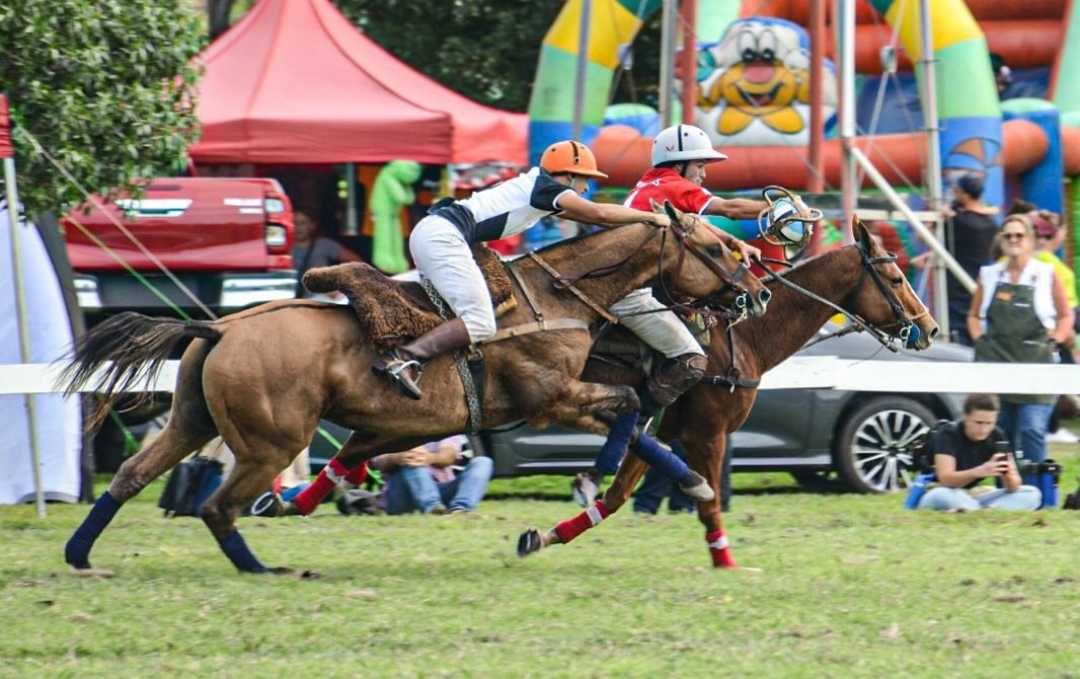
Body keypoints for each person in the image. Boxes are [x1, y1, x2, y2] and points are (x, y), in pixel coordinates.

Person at [572, 124, 814, 507]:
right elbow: (728, 208)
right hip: (631, 293)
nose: (704, 173)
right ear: (680, 164)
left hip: (626, 286)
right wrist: (779, 209)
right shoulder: (671, 184)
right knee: (693, 359)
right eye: (700, 165)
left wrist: (734, 244)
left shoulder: (654, 185)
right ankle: (625, 445)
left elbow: (696, 228)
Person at [371, 140, 679, 402]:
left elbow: (599, 219)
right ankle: (401, 360)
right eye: (583, 179)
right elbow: (597, 211)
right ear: (566, 175)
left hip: (438, 234)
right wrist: (651, 218)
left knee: (452, 312)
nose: (586, 187)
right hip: (443, 236)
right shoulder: (545, 186)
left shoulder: (540, 190)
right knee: (480, 323)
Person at [967, 213, 1074, 464]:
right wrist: (980, 339)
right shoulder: (990, 274)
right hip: (998, 366)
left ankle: (1038, 491)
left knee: (1031, 429)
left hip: (1037, 364)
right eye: (1008, 235)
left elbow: (1066, 315)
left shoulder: (1046, 273)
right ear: (1001, 240)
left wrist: (1056, 339)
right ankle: (1006, 492)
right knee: (1001, 434)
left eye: (1019, 235)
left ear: (1031, 240)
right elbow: (973, 315)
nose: (1014, 240)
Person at [916, 393, 1041, 511]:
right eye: (978, 423)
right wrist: (980, 471)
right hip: (944, 491)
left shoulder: (997, 436)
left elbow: (1013, 488)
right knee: (941, 495)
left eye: (989, 423)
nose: (983, 429)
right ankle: (987, 510)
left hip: (974, 497)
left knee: (1032, 493)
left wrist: (1008, 474)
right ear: (966, 417)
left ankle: (977, 511)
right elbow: (946, 479)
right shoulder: (949, 434)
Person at [936, 174, 998, 346]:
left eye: (957, 191)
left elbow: (924, 236)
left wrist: (946, 214)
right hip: (980, 282)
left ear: (965, 194)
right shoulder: (991, 223)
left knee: (957, 330)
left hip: (956, 285)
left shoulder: (958, 222)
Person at [371, 435, 493, 515]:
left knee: (483, 462)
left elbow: (449, 454)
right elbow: (379, 462)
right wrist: (397, 458)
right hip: (403, 495)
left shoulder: (443, 421)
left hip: (439, 488)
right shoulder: (391, 422)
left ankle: (461, 509)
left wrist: (430, 458)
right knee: (411, 460)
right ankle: (432, 508)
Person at [292, 210, 364, 298]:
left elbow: (357, 262)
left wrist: (339, 282)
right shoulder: (280, 246)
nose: (298, 228)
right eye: (295, 223)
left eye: (303, 223)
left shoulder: (324, 245)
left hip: (321, 298)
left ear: (312, 225)